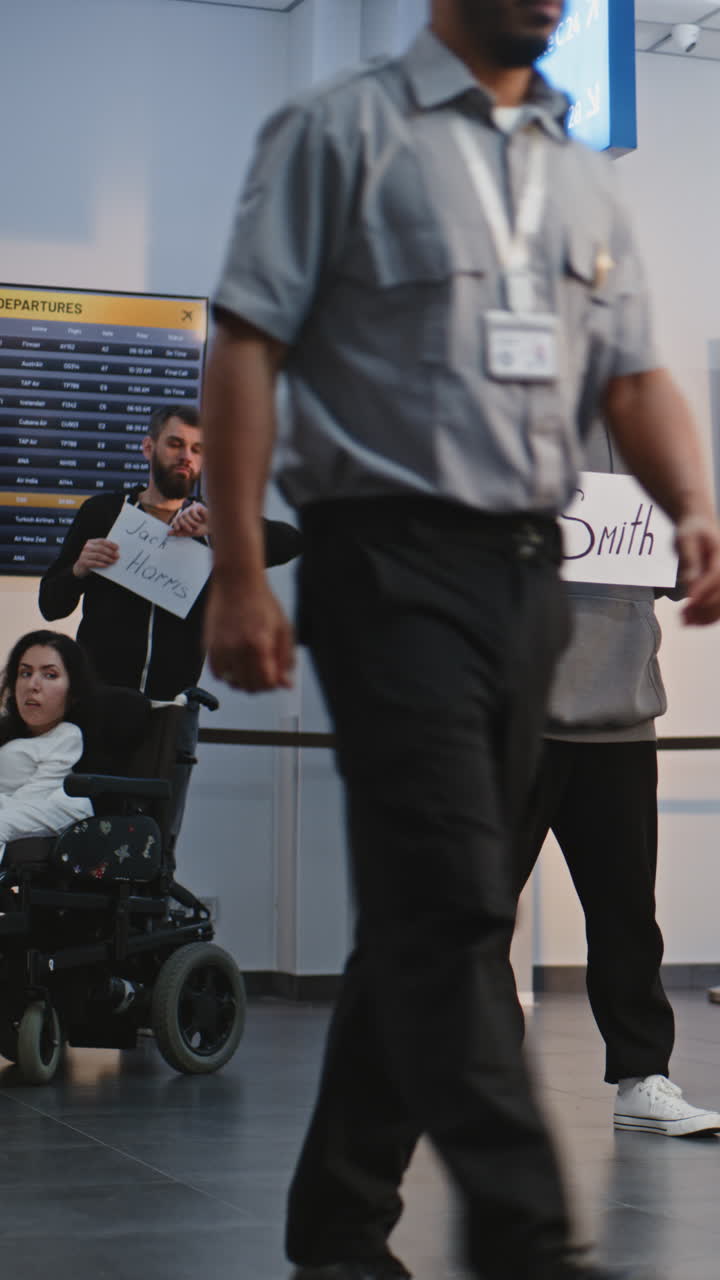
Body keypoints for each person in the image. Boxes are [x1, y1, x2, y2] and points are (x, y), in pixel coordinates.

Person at [200, 2, 720, 1278]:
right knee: (451, 895)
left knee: (435, 907)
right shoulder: (341, 128)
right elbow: (249, 341)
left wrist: (695, 500)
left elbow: (633, 375)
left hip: (530, 574)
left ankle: (336, 1226)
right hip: (391, 559)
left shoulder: (577, 178)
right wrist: (237, 570)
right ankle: (531, 1235)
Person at [517, 420, 720, 1139]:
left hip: (621, 713)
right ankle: (476, 1078)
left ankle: (643, 1077)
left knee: (627, 915)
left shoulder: (647, 437)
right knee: (474, 913)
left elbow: (674, 561)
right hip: (513, 716)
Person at [38, 404, 301, 699]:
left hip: (174, 706)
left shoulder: (211, 525)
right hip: (98, 700)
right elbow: (50, 605)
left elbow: (291, 543)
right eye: (175, 444)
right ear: (149, 448)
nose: (186, 456)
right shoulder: (103, 512)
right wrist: (78, 570)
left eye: (197, 449)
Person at [0, 630, 95, 860]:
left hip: (57, 806)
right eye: (25, 673)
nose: (33, 685)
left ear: (72, 689)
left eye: (50, 675)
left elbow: (37, 791)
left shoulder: (67, 735)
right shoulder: (8, 731)